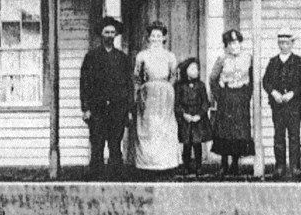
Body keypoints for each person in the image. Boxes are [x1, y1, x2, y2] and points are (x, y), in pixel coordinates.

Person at [80, 16, 134, 179]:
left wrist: (129, 110)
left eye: (112, 32)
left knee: (115, 144)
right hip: (97, 108)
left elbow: (128, 85)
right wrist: (86, 107)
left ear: (116, 35)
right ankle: (96, 176)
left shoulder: (122, 58)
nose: (110, 35)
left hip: (118, 108)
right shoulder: (92, 57)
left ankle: (115, 176)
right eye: (106, 32)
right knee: (97, 143)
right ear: (101, 35)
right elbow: (84, 83)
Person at [134, 20, 180, 172]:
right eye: (153, 36)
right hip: (148, 94)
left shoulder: (169, 56)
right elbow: (137, 77)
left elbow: (174, 75)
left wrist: (167, 88)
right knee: (149, 126)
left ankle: (165, 163)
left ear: (164, 38)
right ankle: (148, 164)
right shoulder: (142, 56)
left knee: (164, 127)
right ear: (148, 38)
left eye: (159, 36)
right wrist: (141, 91)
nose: (156, 39)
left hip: (164, 94)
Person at [262, 27, 301, 178]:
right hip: (278, 106)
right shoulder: (273, 62)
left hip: (293, 105)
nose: (284, 46)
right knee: (279, 136)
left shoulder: (298, 61)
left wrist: (292, 93)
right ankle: (280, 166)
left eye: (287, 43)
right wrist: (274, 93)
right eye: (281, 43)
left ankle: (295, 166)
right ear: (278, 44)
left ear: (292, 44)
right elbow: (266, 81)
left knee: (294, 136)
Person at [209, 29, 254, 176]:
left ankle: (235, 164)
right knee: (224, 131)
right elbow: (212, 78)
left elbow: (253, 78)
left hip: (240, 98)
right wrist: (219, 95)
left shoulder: (248, 57)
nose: (234, 46)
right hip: (226, 98)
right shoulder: (222, 59)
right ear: (226, 45)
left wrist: (247, 94)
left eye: (236, 42)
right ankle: (224, 164)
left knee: (238, 132)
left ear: (240, 43)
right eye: (230, 43)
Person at [174, 57, 212, 176]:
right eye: (192, 69)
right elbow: (176, 103)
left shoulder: (200, 85)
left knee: (197, 143)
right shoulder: (179, 86)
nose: (196, 71)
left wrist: (199, 115)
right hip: (185, 118)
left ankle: (198, 166)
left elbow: (205, 102)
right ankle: (186, 166)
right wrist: (184, 114)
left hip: (198, 118)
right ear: (185, 70)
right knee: (186, 143)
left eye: (197, 69)